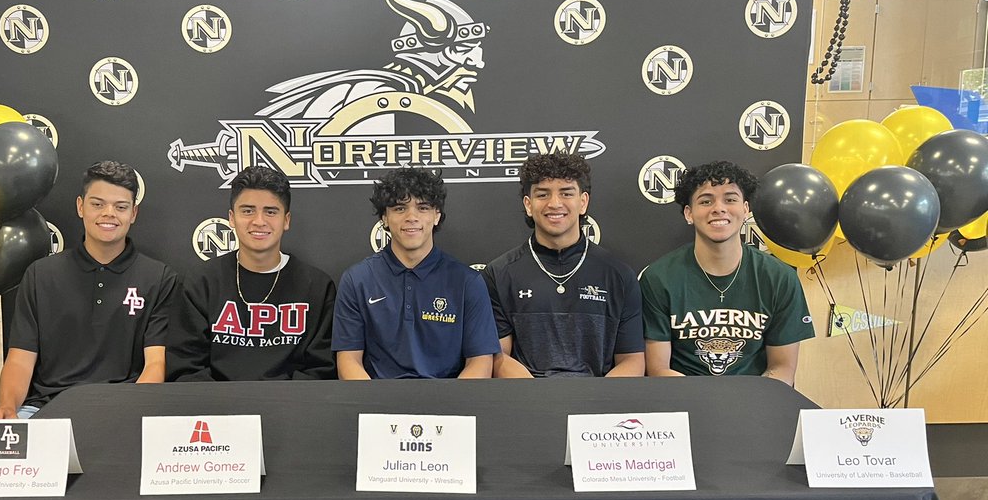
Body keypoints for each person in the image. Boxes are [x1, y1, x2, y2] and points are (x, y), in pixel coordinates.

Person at [0, 161, 179, 419]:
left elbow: (156, 364)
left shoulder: (160, 278)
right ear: (80, 206)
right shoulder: (41, 275)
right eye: (97, 204)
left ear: (133, 214)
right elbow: (20, 359)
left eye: (121, 207)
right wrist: (7, 407)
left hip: (124, 408)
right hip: (47, 407)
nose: (109, 213)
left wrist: (126, 412)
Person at [640, 160, 814, 383]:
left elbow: (782, 369)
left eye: (730, 199)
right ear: (689, 213)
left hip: (754, 403)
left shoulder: (779, 278)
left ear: (746, 209)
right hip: (685, 403)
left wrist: (743, 406)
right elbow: (658, 369)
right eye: (706, 201)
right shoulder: (659, 278)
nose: (719, 208)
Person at [483, 152, 644, 378]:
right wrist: (540, 401)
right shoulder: (498, 274)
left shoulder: (619, 275)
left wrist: (595, 404)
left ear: (583, 202)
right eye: (543, 194)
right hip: (528, 402)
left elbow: (632, 360)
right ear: (528, 205)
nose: (555, 203)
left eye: (566, 193)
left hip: (596, 405)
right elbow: (498, 357)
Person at [170, 166, 335, 381]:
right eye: (247, 210)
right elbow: (185, 368)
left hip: (291, 409)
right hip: (218, 410)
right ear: (231, 218)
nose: (259, 221)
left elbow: (321, 370)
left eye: (270, 211)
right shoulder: (200, 283)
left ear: (286, 220)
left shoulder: (317, 287)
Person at [332, 167, 498, 379]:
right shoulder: (357, 280)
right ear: (384, 217)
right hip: (377, 405)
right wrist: (376, 407)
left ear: (436, 215)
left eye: (422, 208)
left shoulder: (468, 282)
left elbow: (480, 362)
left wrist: (449, 408)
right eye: (400, 208)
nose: (411, 217)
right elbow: (348, 361)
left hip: (447, 404)